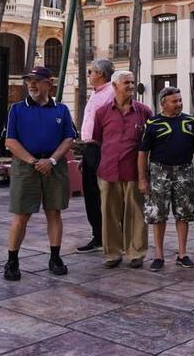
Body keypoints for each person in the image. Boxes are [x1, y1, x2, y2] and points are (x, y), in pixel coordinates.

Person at [3, 67, 76, 281]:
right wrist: (34, 161)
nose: (32, 85)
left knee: (54, 212)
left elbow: (69, 138)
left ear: (49, 83)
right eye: (29, 81)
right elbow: (10, 141)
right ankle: (12, 261)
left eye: (37, 80)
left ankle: (55, 258)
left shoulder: (61, 110)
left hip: (54, 166)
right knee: (21, 215)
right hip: (26, 166)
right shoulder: (17, 109)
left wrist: (51, 160)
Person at [92, 70, 152, 269]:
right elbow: (99, 138)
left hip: (134, 171)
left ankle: (136, 252)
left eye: (133, 82)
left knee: (136, 213)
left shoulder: (144, 112)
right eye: (127, 83)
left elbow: (149, 143)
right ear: (114, 86)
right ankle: (112, 253)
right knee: (108, 213)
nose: (131, 86)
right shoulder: (101, 112)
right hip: (108, 170)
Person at [138, 87, 194, 271]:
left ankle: (182, 254)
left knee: (184, 213)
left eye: (180, 100)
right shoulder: (152, 123)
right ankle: (159, 255)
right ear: (163, 104)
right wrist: (142, 179)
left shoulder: (190, 122)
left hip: (185, 171)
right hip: (159, 172)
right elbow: (143, 153)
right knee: (158, 215)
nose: (179, 104)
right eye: (175, 101)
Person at [75, 59, 115, 253]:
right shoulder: (96, 94)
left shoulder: (111, 93)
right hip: (91, 148)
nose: (89, 75)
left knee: (105, 195)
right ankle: (98, 236)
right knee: (90, 194)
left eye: (91, 71)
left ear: (100, 73)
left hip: (103, 148)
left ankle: (111, 237)